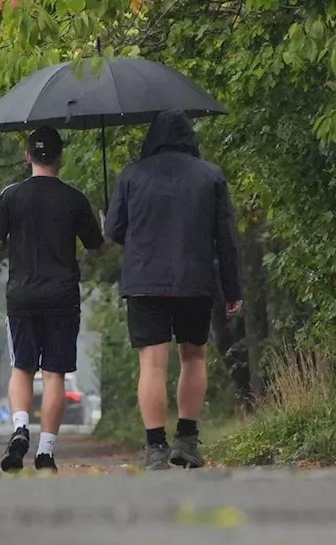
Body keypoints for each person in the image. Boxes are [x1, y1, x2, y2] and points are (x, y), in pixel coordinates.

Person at [105, 110, 243, 470]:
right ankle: (186, 439)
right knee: (193, 356)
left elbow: (116, 231)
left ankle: (155, 447)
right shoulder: (210, 176)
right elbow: (226, 238)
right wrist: (233, 288)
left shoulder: (131, 175)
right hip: (193, 280)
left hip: (145, 282)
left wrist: (110, 216)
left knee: (152, 362)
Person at [0, 126, 108, 473]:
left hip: (22, 295)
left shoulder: (11, 196)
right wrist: (107, 227)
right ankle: (45, 452)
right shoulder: (74, 198)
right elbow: (98, 249)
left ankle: (20, 427)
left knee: (22, 367)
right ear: (60, 158)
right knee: (54, 373)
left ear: (28, 157)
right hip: (62, 297)